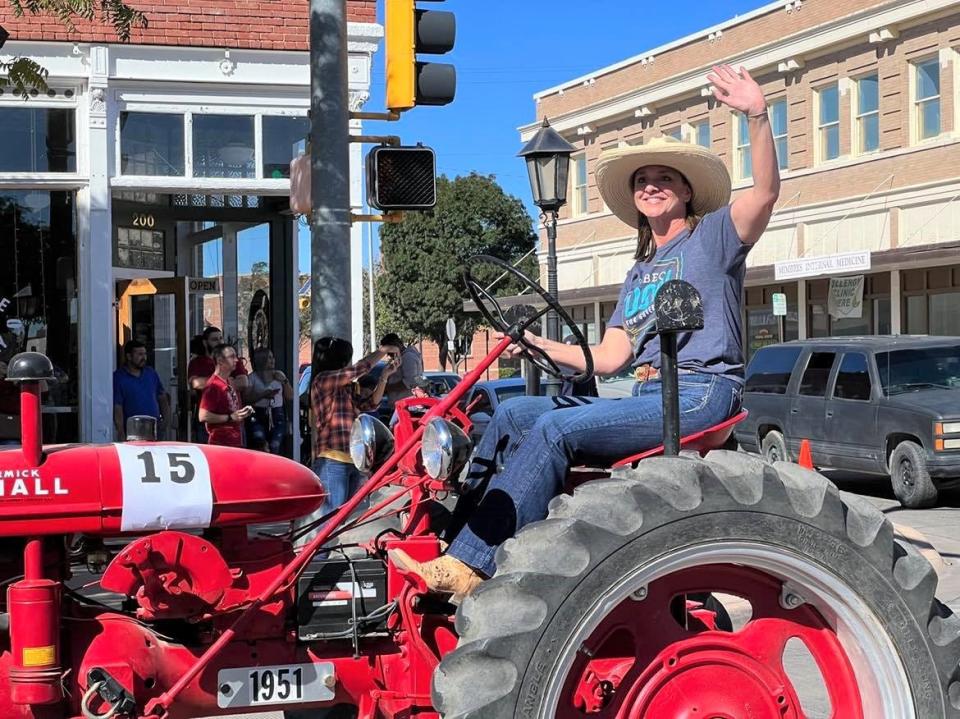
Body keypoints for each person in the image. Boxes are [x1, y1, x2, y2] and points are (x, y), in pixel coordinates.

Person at [391, 64, 781, 600]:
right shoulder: (640, 273)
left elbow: (764, 192)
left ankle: (473, 563)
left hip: (699, 392)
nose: (652, 186)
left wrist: (757, 115)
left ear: (688, 192)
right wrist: (542, 345)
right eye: (643, 181)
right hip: (649, 390)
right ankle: (458, 543)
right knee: (510, 413)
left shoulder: (715, 237)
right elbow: (609, 357)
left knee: (555, 430)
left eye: (665, 178)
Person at [293, 337, 401, 546]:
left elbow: (370, 404)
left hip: (353, 458)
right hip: (332, 458)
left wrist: (384, 377)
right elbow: (357, 370)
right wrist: (381, 352)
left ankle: (334, 558)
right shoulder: (322, 380)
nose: (350, 362)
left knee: (345, 520)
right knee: (329, 520)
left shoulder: (347, 387)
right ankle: (319, 560)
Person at [188, 326, 249, 442]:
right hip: (212, 424)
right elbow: (195, 383)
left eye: (221, 338)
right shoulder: (198, 362)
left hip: (235, 421)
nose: (220, 342)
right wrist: (223, 381)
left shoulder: (232, 360)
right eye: (214, 339)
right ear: (205, 343)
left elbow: (243, 382)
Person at [198, 344, 254, 447]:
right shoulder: (213, 385)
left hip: (234, 441)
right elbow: (203, 416)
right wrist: (230, 417)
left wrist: (241, 413)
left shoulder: (228, 382)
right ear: (220, 361)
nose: (236, 360)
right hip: (221, 444)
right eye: (232, 357)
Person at [112, 340, 170, 440]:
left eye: (144, 354)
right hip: (132, 431)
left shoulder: (151, 373)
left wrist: (166, 420)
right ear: (129, 356)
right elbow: (118, 407)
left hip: (155, 429)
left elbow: (162, 397)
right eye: (139, 354)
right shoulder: (118, 378)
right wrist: (120, 431)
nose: (143, 358)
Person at [246, 347, 294, 454]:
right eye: (268, 358)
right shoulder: (252, 377)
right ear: (260, 360)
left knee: (275, 444)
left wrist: (285, 381)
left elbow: (290, 396)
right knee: (260, 443)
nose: (272, 361)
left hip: (277, 413)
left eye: (272, 358)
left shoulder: (279, 375)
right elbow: (246, 399)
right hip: (258, 413)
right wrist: (262, 395)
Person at [379, 332, 423, 404]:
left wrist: (388, 388)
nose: (389, 354)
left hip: (406, 404)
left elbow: (409, 381)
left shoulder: (408, 357)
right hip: (398, 403)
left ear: (397, 344)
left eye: (390, 350)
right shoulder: (400, 357)